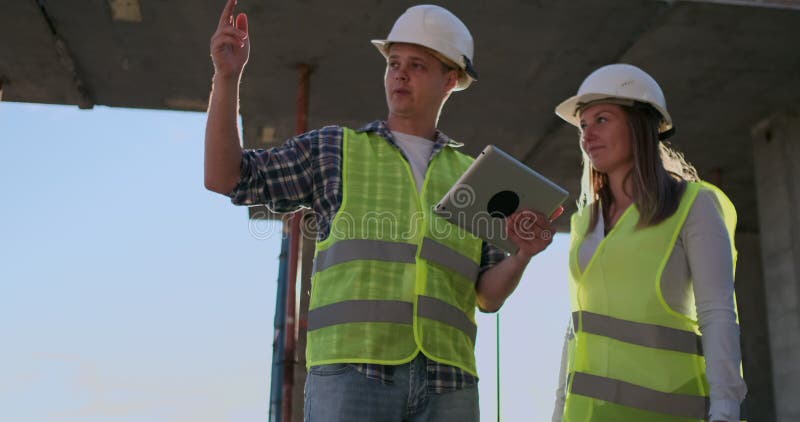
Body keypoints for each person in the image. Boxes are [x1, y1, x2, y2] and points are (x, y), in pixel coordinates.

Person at [205, 2, 559, 420]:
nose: (400, 73)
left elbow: (487, 295)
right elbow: (225, 176)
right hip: (353, 373)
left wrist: (522, 255)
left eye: (417, 65)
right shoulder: (335, 150)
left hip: (449, 382)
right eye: (394, 63)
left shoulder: (473, 177)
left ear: (451, 79)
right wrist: (227, 78)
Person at [550, 63, 747, 422]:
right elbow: (577, 329)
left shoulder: (694, 205)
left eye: (602, 120)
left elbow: (718, 314)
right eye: (583, 125)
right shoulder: (585, 222)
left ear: (641, 126)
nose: (587, 135)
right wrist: (558, 412)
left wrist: (726, 409)